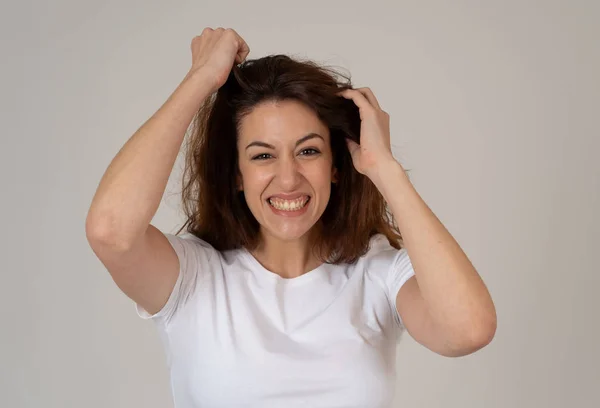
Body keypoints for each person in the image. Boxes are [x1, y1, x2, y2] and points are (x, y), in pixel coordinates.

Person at [86, 27, 497, 408]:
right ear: (236, 175)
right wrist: (200, 79)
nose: (288, 179)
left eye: (309, 151)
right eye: (263, 155)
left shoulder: (378, 273)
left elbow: (469, 330)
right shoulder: (193, 277)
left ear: (337, 166)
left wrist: (384, 169)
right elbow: (111, 232)